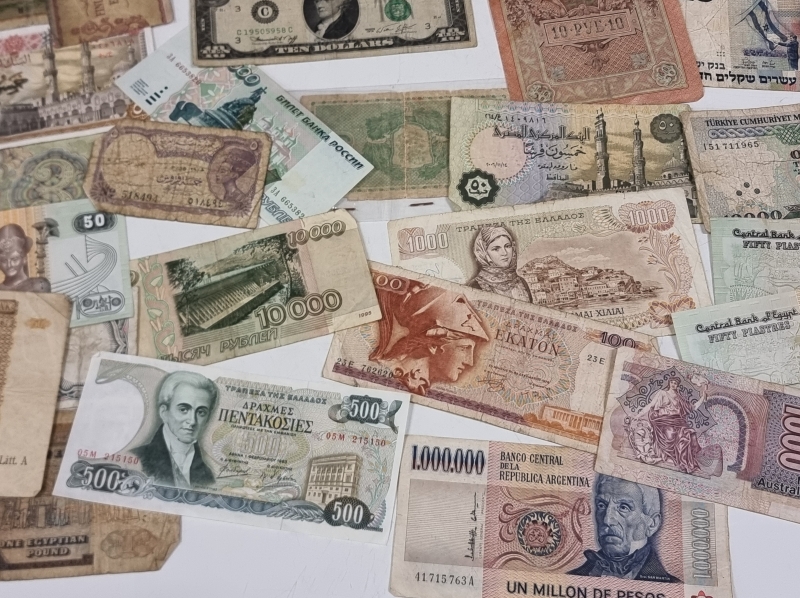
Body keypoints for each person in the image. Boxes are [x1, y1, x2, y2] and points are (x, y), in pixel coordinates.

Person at [369, 284, 489, 395]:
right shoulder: (384, 370)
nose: (470, 362)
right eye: (464, 348)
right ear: (433, 346)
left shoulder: (417, 383)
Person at [568, 475, 680, 583]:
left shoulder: (674, 586)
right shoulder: (571, 578)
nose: (607, 520)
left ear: (652, 524)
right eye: (602, 505)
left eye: (623, 507)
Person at [132, 371, 218, 488]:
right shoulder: (137, 459)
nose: (192, 421)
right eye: (183, 409)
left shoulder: (208, 476)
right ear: (164, 412)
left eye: (201, 412)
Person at [635, 377, 702, 474]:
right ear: (669, 383)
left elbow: (693, 407)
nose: (673, 384)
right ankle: (678, 460)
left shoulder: (680, 398)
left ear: (677, 385)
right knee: (672, 434)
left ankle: (685, 461)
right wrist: (639, 415)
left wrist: (703, 397)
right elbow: (651, 405)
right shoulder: (662, 393)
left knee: (690, 433)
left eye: (675, 383)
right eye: (672, 382)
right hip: (663, 422)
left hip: (678, 421)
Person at [467, 226, 532, 302]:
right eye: (496, 249)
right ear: (484, 253)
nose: (504, 253)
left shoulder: (521, 282)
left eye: (507, 246)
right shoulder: (474, 286)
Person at [0, 224, 50, 292]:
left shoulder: (38, 286)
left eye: (14, 259)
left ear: (24, 258)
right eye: (3, 260)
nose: (9, 265)